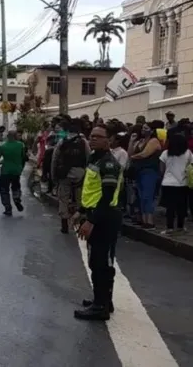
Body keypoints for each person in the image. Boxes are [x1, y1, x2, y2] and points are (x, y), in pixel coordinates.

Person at [73, 125, 122, 321]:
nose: (92, 139)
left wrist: (91, 221)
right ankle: (101, 299)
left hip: (105, 218)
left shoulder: (108, 163)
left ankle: (101, 306)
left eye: (98, 137)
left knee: (102, 263)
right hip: (95, 214)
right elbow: (92, 191)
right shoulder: (95, 159)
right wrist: (81, 211)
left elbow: (107, 195)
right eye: (91, 136)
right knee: (96, 261)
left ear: (107, 140)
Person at [52, 118, 89, 233]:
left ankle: (64, 225)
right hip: (80, 174)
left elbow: (54, 159)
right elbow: (88, 158)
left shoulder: (62, 141)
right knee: (80, 199)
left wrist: (54, 176)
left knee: (63, 199)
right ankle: (80, 223)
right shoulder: (83, 142)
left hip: (64, 174)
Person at [129, 123, 162, 229]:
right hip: (139, 171)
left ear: (152, 131)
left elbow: (145, 154)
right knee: (141, 196)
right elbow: (129, 153)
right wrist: (131, 141)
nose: (143, 129)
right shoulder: (140, 141)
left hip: (149, 171)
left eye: (146, 128)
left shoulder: (154, 141)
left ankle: (149, 220)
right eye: (143, 127)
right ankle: (144, 219)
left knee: (148, 196)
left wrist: (133, 157)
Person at [159, 133, 191, 235]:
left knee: (170, 207)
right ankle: (180, 227)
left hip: (168, 183)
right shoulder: (188, 153)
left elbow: (161, 169)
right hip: (183, 183)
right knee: (182, 206)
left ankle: (169, 228)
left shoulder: (165, 153)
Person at [0, 130, 26, 216]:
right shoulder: (20, 145)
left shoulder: (3, 146)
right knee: (16, 187)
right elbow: (23, 156)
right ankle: (17, 199)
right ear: (15, 136)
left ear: (8, 136)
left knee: (4, 190)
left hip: (5, 171)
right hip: (16, 171)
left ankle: (8, 207)